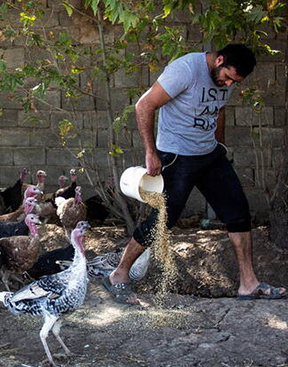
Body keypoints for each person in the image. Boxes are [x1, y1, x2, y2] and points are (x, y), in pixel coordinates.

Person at [103, 44, 286, 304]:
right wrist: (151, 153)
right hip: (177, 156)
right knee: (163, 219)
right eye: (227, 77)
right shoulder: (185, 70)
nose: (228, 84)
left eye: (234, 81)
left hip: (210, 155)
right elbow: (144, 106)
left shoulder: (227, 78)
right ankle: (119, 275)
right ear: (219, 60)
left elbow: (219, 108)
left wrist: (220, 144)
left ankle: (248, 284)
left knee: (238, 213)